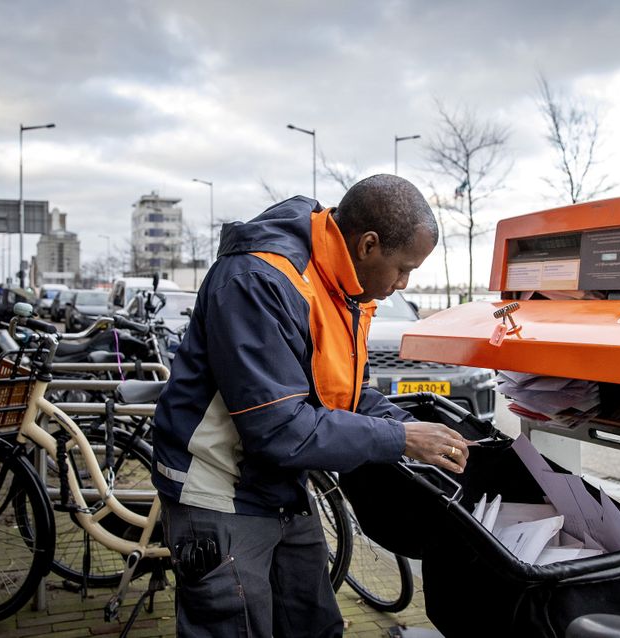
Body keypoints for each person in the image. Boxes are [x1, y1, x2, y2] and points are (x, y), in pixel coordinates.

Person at [152, 174, 470, 637]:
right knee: (235, 625)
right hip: (219, 489)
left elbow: (348, 394)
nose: (403, 284)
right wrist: (401, 438)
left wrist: (418, 432)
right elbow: (280, 429)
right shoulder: (259, 280)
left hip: (278, 485)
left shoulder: (342, 288)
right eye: (404, 268)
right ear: (368, 245)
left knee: (313, 622)